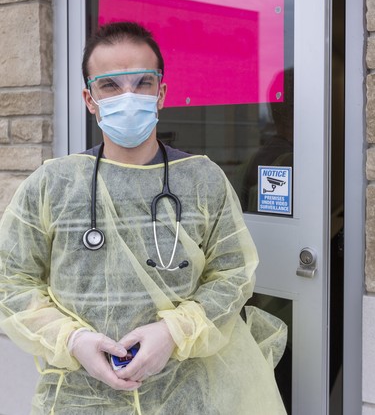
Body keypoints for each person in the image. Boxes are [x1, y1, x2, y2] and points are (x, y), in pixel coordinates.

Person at [0, 22, 287, 414]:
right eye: (110, 86)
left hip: (187, 394)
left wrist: (174, 332)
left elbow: (233, 274)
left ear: (161, 93)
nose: (128, 96)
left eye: (142, 83)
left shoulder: (201, 180)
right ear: (89, 99)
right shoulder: (53, 183)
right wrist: (72, 341)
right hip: (79, 398)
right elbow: (12, 280)